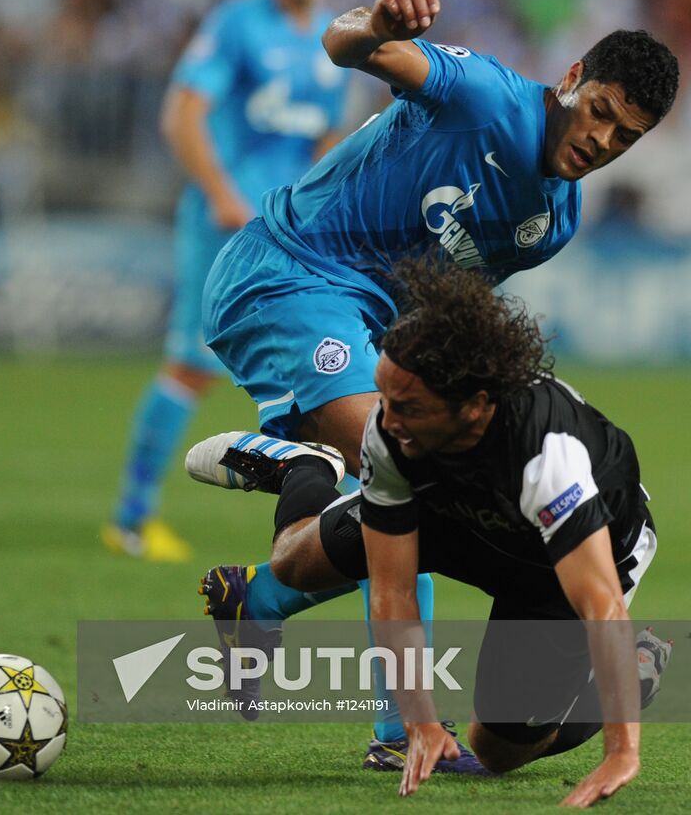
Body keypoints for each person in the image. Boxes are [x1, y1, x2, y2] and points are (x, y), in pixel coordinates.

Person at [186, 0, 678, 761]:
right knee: (405, 479)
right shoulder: (482, 96)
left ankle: (276, 555)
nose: (602, 141)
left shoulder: (554, 221)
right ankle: (397, 729)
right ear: (573, 77)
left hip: (372, 328)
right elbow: (347, 46)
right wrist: (374, 24)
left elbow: (442, 306)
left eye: (626, 137)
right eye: (601, 113)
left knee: (424, 489)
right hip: (288, 271)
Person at [192, 262, 672, 807]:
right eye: (384, 396)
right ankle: (302, 468)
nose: (385, 421)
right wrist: (418, 720)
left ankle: (637, 671)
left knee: (498, 750)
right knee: (292, 565)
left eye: (409, 407)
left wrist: (622, 749)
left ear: (474, 408)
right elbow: (393, 590)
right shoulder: (396, 432)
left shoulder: (545, 453)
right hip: (452, 510)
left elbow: (601, 605)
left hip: (553, 567)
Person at [101, 0, 349, 561]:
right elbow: (182, 114)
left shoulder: (334, 37)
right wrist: (221, 195)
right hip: (227, 222)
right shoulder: (238, 22)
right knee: (191, 364)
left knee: (325, 364)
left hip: (290, 232)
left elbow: (326, 137)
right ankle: (131, 518)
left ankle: (332, 514)